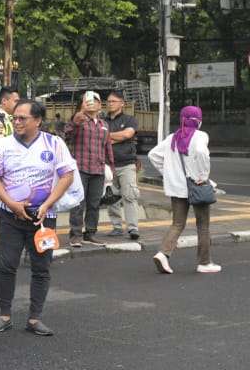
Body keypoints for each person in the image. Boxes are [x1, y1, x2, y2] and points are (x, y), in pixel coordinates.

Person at [0, 100, 75, 337]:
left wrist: (48, 204)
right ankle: (4, 316)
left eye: (22, 118)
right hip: (10, 216)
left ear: (37, 121)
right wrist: (10, 203)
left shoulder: (54, 144)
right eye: (15, 118)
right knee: (7, 265)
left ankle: (35, 318)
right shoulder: (2, 145)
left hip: (43, 219)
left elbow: (67, 175)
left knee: (41, 267)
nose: (16, 122)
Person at [147, 106, 220, 274]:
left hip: (177, 187)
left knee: (178, 223)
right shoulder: (201, 136)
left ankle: (163, 253)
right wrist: (202, 175)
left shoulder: (172, 138)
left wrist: (168, 173)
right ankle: (204, 262)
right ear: (198, 120)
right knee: (203, 225)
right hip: (197, 186)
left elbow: (153, 155)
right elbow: (202, 152)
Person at [63, 91, 113, 248]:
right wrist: (79, 116)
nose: (91, 103)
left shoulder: (104, 125)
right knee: (78, 203)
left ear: (99, 104)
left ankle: (90, 233)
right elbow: (67, 134)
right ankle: (75, 235)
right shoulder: (78, 120)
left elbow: (107, 146)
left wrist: (111, 166)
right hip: (80, 168)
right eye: (87, 100)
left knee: (94, 203)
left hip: (98, 169)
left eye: (94, 100)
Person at [104, 90, 140, 240]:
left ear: (121, 103)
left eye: (113, 101)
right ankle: (116, 227)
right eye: (108, 101)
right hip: (108, 165)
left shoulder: (130, 119)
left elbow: (127, 134)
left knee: (129, 196)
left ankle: (133, 228)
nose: (110, 104)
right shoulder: (103, 121)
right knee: (111, 197)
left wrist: (108, 137)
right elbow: (99, 139)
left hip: (126, 164)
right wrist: (119, 137)